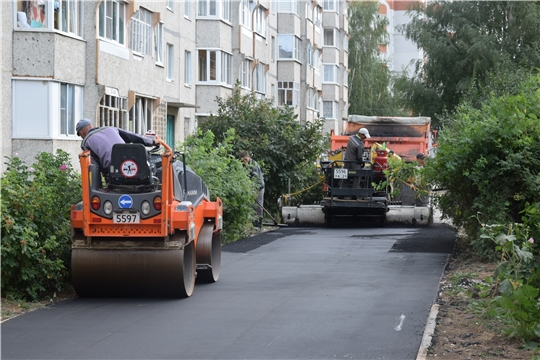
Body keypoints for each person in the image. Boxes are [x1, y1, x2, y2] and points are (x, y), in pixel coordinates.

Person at [76, 119, 161, 179]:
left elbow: (95, 165)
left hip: (113, 172)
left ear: (81, 133)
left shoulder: (86, 142)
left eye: (81, 136)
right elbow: (133, 136)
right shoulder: (110, 128)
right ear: (92, 125)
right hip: (135, 162)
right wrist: (153, 141)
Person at [240, 150, 265, 230]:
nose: (244, 162)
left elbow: (255, 179)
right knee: (252, 206)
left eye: (245, 160)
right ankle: (254, 224)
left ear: (248, 157)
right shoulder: (243, 165)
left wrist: (253, 190)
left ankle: (258, 225)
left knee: (258, 205)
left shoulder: (254, 165)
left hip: (259, 187)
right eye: (243, 160)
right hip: (251, 189)